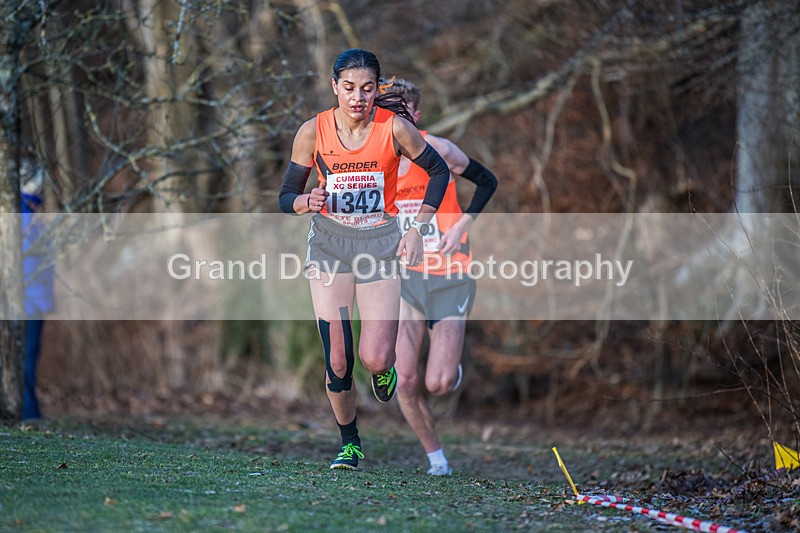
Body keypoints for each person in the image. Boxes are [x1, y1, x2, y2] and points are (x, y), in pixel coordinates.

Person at [278, 50, 451, 470]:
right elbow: (285, 197)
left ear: (377, 90)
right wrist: (306, 201)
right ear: (335, 86)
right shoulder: (312, 131)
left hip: (379, 245)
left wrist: (415, 230)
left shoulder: (394, 128)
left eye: (368, 88)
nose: (358, 97)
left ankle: (382, 369)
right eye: (350, 88)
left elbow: (440, 173)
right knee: (337, 356)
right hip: (330, 247)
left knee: (376, 357)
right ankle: (350, 443)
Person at [385, 78, 498, 475]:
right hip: (406, 280)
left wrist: (461, 225)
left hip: (450, 275)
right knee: (406, 380)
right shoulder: (375, 160)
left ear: (415, 115)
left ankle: (453, 372)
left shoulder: (441, 151)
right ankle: (436, 459)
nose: (396, 120)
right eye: (388, 112)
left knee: (438, 383)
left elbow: (487, 181)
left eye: (403, 112)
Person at [20, 160, 55, 420]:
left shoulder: (28, 216)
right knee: (24, 359)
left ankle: (27, 411)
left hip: (30, 301)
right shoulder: (25, 218)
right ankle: (27, 413)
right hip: (26, 303)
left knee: (25, 358)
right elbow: (34, 265)